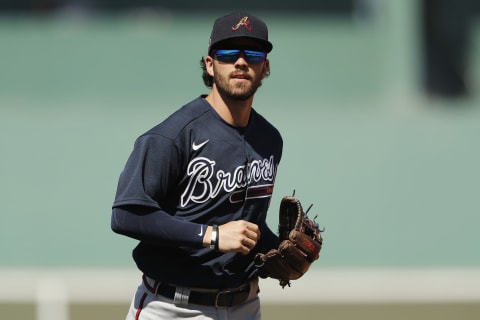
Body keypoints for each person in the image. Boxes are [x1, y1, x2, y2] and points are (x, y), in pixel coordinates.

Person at [111, 12, 282, 320]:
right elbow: (126, 214)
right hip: (172, 307)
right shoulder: (173, 136)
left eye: (253, 54)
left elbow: (242, 225)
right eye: (229, 53)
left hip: (246, 306)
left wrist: (278, 249)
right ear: (210, 64)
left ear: (265, 67)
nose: (241, 62)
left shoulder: (269, 139)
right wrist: (212, 235)